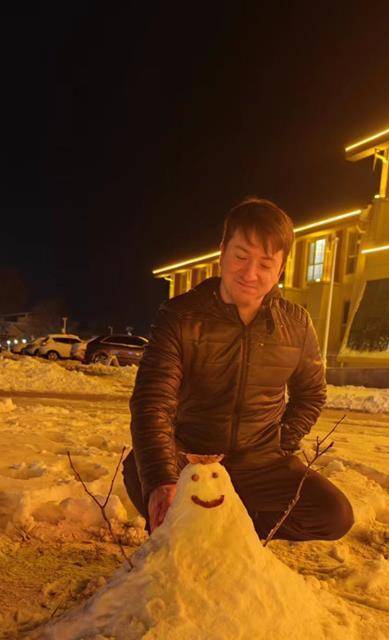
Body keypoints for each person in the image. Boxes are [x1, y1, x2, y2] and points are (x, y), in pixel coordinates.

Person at [123, 197, 354, 542]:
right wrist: (163, 479)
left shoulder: (296, 324)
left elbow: (311, 394)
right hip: (191, 458)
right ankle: (191, 521)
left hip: (261, 465)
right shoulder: (180, 316)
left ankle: (236, 530)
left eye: (265, 263)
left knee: (334, 515)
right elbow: (152, 400)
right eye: (241, 256)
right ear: (222, 252)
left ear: (281, 268)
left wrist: (281, 442)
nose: (250, 273)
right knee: (141, 471)